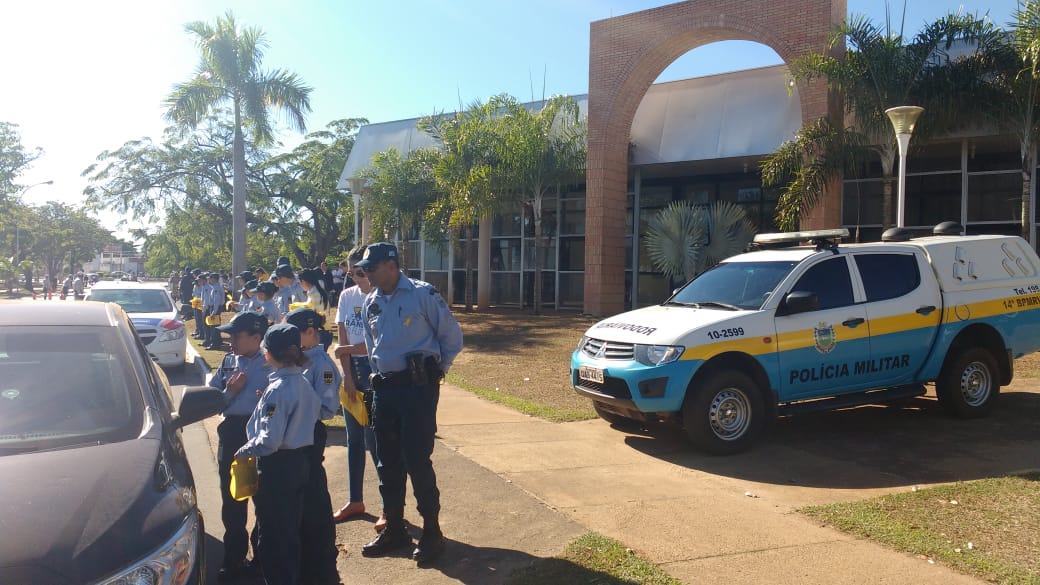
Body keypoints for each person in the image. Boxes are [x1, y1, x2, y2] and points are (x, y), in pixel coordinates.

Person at [357, 242, 464, 564]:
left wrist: (435, 373)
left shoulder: (422, 294)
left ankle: (432, 532)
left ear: (391, 266)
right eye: (365, 269)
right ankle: (394, 529)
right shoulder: (371, 302)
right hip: (385, 390)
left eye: (371, 268)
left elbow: (452, 337)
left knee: (417, 460)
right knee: (387, 462)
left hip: (417, 390)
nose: (367, 274)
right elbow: (371, 345)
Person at [234, 323, 321, 585]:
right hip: (299, 461)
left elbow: (270, 441)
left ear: (268, 353)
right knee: (289, 532)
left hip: (277, 467)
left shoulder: (277, 389)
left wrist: (244, 450)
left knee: (273, 538)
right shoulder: (303, 382)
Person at [208, 312, 272, 581]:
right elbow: (212, 400)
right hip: (233, 432)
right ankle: (234, 559)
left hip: (262, 434)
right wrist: (230, 393)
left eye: (236, 336)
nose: (230, 341)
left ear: (256, 337)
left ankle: (261, 559)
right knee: (233, 499)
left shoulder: (272, 363)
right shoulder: (228, 361)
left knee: (264, 500)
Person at [284, 308, 341, 584]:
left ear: (309, 333)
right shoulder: (297, 359)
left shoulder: (322, 365)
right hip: (293, 435)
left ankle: (322, 564)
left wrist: (297, 406)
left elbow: (328, 407)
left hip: (311, 433)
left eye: (293, 335)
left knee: (313, 497)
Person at [332, 245, 382, 529]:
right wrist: (347, 376)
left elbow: (376, 344)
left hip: (374, 371)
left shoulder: (380, 297)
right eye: (352, 273)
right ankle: (355, 500)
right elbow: (341, 337)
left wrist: (347, 350)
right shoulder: (347, 296)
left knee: (375, 440)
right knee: (354, 441)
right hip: (352, 372)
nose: (357, 279)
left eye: (361, 273)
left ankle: (388, 506)